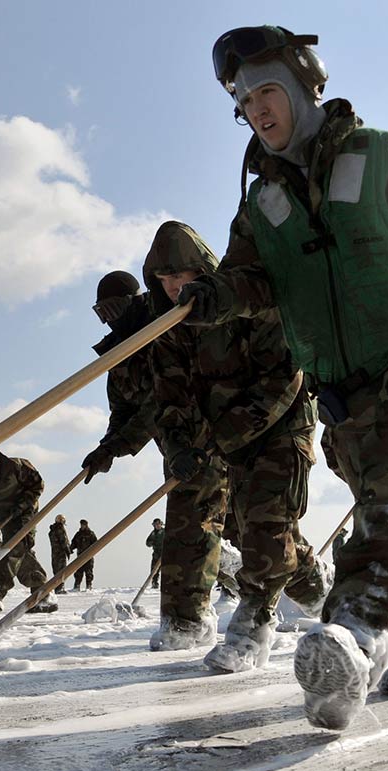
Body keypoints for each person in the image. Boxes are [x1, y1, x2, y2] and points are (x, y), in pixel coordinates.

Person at [180, 26, 388, 728]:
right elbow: (249, 281)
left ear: (305, 85)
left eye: (266, 91)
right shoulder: (263, 206)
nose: (256, 110)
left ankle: (355, 635)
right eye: (243, 103)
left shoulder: (380, 159)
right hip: (338, 387)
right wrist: (212, 297)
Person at [148, 220, 329, 673]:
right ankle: (320, 588)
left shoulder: (244, 302)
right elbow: (171, 400)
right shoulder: (167, 330)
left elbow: (285, 376)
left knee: (267, 523)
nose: (173, 288)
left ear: (201, 271)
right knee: (257, 532)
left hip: (280, 424)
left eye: (181, 277)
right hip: (225, 437)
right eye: (164, 280)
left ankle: (253, 624)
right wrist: (178, 446)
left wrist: (225, 435)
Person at [81, 269, 233, 651]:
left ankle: (192, 619)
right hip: (176, 450)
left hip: (206, 441)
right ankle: (215, 594)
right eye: (102, 312)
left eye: (115, 308)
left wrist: (123, 444)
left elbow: (156, 406)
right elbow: (123, 411)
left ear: (135, 301)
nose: (110, 318)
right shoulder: (119, 352)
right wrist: (106, 449)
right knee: (199, 528)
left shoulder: (166, 328)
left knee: (202, 527)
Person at [0, 449, 54, 616]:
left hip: (24, 514)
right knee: (20, 552)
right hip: (3, 518)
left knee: (14, 547)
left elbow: (37, 485)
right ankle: (43, 593)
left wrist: (22, 505)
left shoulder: (16, 466)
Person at [69, 519, 99, 591]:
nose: (82, 526)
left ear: (86, 525)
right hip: (80, 556)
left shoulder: (91, 534)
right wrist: (70, 549)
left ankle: (89, 586)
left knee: (89, 572)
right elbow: (73, 543)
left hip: (89, 556)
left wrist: (92, 551)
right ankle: (77, 586)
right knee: (79, 572)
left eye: (83, 525)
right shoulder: (78, 534)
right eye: (81, 525)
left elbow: (96, 544)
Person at [48, 515, 70, 593]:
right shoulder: (60, 529)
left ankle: (57, 587)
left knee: (56, 570)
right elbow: (63, 540)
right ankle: (60, 588)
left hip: (54, 553)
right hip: (61, 553)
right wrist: (68, 550)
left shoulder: (52, 530)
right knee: (62, 570)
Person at [145, 518, 165, 588]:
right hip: (156, 553)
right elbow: (147, 543)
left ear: (161, 524)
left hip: (165, 553)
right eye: (155, 524)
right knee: (154, 569)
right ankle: (154, 583)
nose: (157, 526)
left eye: (158, 524)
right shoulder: (153, 533)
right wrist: (151, 543)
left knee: (166, 569)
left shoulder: (164, 532)